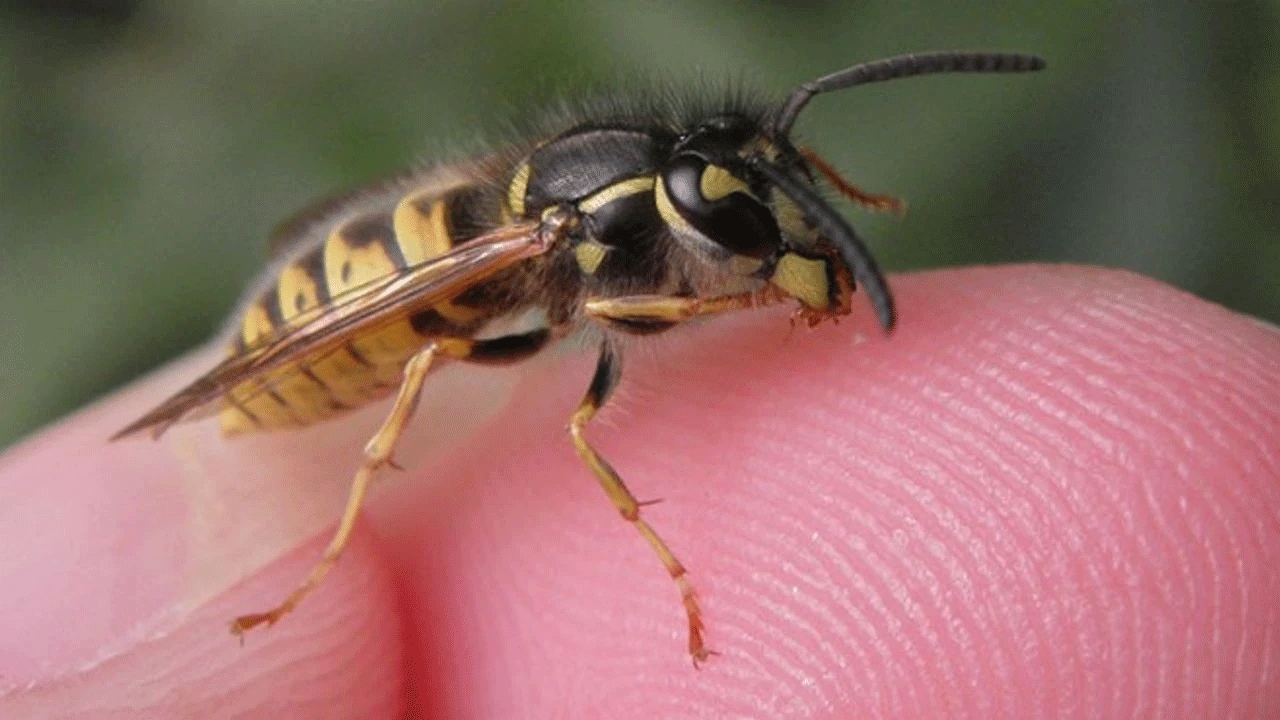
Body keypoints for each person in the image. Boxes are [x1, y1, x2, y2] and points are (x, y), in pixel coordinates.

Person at [1, 265, 1277, 718]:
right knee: (455, 355)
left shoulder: (627, 238)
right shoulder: (574, 272)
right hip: (332, 343)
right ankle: (325, 554)